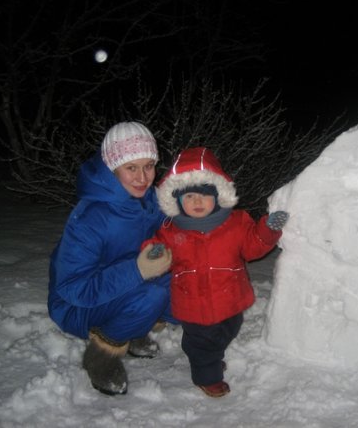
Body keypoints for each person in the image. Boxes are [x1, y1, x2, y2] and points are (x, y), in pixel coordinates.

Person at [141, 147, 289, 397]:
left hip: (230, 299)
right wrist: (154, 252)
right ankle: (206, 375)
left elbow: (253, 246)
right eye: (189, 196)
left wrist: (268, 230)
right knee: (202, 342)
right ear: (177, 201)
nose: (197, 201)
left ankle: (206, 354)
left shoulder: (236, 223)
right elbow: (158, 249)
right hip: (193, 303)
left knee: (229, 329)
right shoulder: (171, 231)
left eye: (204, 195)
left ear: (218, 195)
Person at [48, 121, 175, 396]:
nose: (143, 177)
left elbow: (170, 225)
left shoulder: (149, 200)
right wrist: (137, 270)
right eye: (131, 168)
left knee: (182, 279)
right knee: (152, 294)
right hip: (76, 306)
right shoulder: (91, 218)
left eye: (149, 166)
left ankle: (133, 328)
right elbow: (72, 288)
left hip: (122, 287)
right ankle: (101, 357)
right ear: (112, 168)